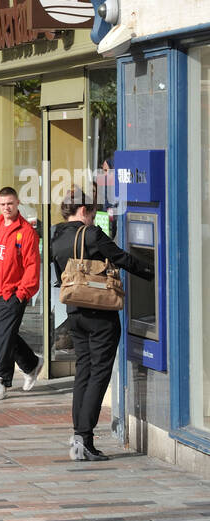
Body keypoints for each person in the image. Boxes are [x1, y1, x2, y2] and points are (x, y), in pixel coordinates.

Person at [52, 190, 154, 461]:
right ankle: (85, 438)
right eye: (92, 212)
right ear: (84, 210)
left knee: (83, 373)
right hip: (99, 314)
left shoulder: (57, 237)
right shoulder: (92, 234)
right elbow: (122, 258)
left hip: (74, 312)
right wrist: (152, 271)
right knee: (99, 374)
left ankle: (78, 439)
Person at [0, 186, 42, 401]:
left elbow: (32, 266)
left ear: (17, 202)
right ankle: (31, 363)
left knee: (5, 337)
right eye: (2, 204)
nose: (6, 208)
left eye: (10, 203)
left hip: (14, 294)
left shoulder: (26, 233)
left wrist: (22, 293)